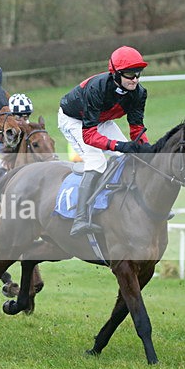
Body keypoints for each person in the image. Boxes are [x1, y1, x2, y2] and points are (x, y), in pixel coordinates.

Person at [57, 45, 153, 236]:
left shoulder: (139, 93)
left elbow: (136, 129)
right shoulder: (97, 88)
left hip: (101, 120)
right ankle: (80, 218)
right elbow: (89, 135)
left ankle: (145, 204)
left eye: (138, 74)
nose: (135, 79)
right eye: (129, 74)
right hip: (75, 120)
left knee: (133, 157)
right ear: (116, 74)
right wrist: (119, 145)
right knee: (97, 161)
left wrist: (147, 150)